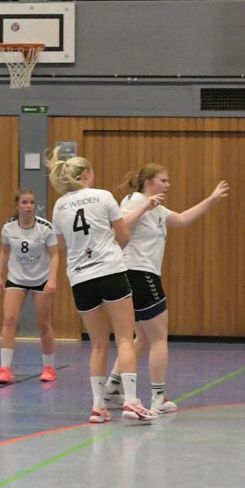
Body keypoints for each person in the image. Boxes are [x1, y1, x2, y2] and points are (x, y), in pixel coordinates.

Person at [46, 146, 164, 423]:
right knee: (124, 338)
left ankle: (98, 407)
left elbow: (61, 245)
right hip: (110, 272)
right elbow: (123, 236)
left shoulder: (59, 206)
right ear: (86, 173)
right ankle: (132, 401)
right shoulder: (103, 196)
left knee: (98, 345)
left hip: (80, 279)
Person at [103, 166, 229, 414]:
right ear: (149, 182)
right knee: (159, 337)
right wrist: (144, 207)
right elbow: (120, 227)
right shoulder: (135, 200)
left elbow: (182, 219)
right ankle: (158, 399)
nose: (168, 185)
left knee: (143, 338)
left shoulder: (158, 210)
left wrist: (211, 199)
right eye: (163, 180)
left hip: (141, 274)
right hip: (139, 273)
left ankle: (111, 389)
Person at [0, 188, 59, 384]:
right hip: (16, 278)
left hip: (41, 279)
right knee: (9, 320)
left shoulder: (45, 228)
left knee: (43, 323)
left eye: (31, 202)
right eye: (24, 203)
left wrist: (52, 279)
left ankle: (49, 368)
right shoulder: (8, 228)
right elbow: (5, 252)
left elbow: (55, 254)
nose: (29, 206)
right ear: (17, 205)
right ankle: (5, 369)